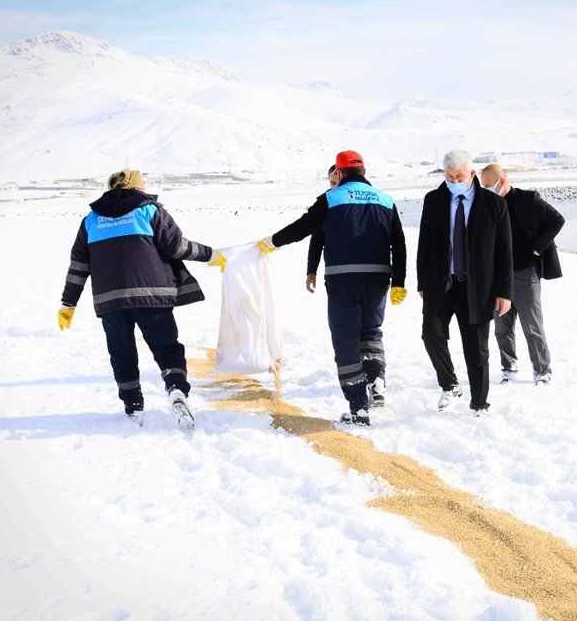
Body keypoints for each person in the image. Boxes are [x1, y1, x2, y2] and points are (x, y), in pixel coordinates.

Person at [58, 168, 225, 435]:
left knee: (121, 353)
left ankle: (133, 406)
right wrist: (211, 255)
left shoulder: (90, 221)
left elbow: (79, 266)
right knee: (166, 347)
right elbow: (176, 246)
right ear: (138, 188)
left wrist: (68, 304)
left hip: (110, 301)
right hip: (152, 296)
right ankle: (176, 389)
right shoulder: (148, 210)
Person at [258, 150, 407, 426]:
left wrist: (271, 242)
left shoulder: (332, 198)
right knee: (371, 332)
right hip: (378, 280)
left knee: (346, 339)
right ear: (364, 171)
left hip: (343, 280)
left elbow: (302, 228)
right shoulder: (386, 200)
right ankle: (376, 382)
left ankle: (358, 408)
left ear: (338, 172)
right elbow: (398, 242)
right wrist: (399, 281)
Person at [416, 150, 513, 416]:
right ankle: (449, 385)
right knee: (431, 334)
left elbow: (504, 251)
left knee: (476, 350)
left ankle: (479, 403)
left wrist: (504, 292)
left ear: (472, 173)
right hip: (441, 284)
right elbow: (425, 243)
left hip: (477, 287)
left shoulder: (493, 204)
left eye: (459, 176)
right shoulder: (434, 200)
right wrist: (422, 282)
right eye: (449, 177)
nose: (454, 181)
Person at [479, 163, 565, 385]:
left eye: (487, 185)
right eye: (482, 186)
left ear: (502, 181)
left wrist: (537, 248)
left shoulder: (528, 199)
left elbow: (557, 220)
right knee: (502, 327)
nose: (484, 190)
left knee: (532, 326)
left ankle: (542, 371)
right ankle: (509, 367)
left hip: (525, 273)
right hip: (499, 275)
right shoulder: (486, 205)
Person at [304, 165, 340, 294]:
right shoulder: (323, 205)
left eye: (340, 182)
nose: (337, 186)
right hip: (335, 274)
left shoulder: (365, 203)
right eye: (333, 183)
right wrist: (311, 272)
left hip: (369, 276)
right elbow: (316, 242)